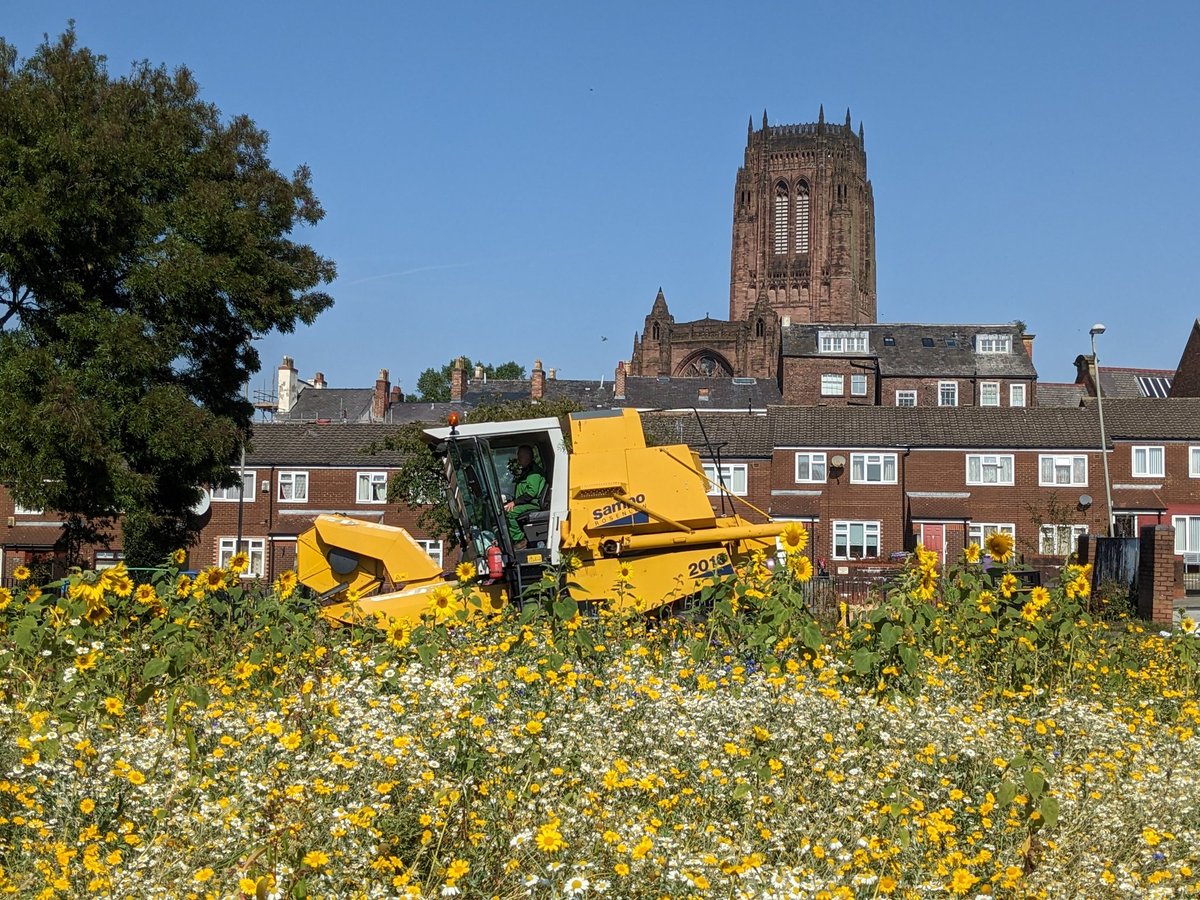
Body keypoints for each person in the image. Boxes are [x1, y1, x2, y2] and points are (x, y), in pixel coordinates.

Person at [504, 445, 546, 548]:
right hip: (525, 503)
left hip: (532, 504)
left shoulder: (534, 472)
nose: (518, 459)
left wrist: (514, 503)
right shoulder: (526, 471)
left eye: (520, 456)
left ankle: (520, 540)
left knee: (509, 512)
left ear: (527, 456)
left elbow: (532, 493)